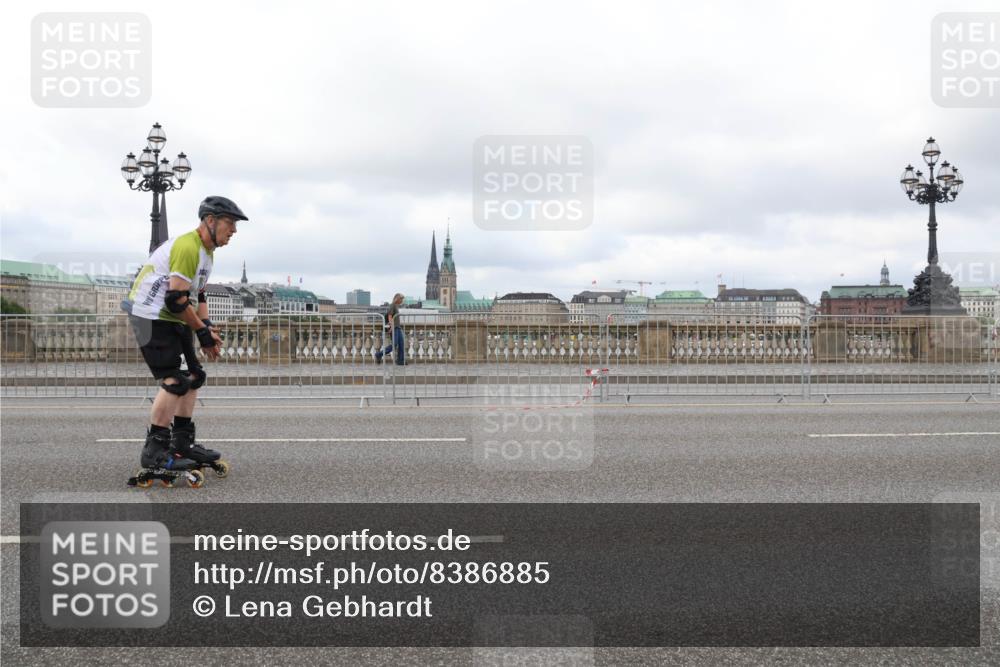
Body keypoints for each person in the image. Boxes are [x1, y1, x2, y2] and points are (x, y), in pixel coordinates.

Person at [126, 196, 248, 486]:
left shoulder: (208, 253)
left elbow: (199, 296)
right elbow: (176, 298)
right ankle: (154, 450)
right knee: (175, 380)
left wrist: (207, 327)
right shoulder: (188, 246)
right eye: (229, 223)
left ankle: (181, 442)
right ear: (210, 220)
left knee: (194, 376)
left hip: (172, 316)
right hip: (150, 315)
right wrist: (202, 334)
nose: (234, 230)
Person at [375, 293, 406, 365]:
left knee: (401, 344)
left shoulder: (396, 306)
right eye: (401, 299)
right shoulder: (393, 305)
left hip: (398, 327)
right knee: (394, 345)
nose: (402, 301)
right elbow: (389, 316)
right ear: (397, 299)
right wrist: (392, 327)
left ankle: (400, 361)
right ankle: (379, 354)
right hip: (394, 328)